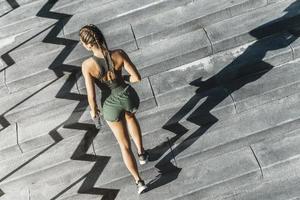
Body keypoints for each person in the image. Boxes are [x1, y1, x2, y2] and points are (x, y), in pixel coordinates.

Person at [79, 24, 149, 194]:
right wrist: (121, 79)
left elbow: (91, 97)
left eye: (82, 43)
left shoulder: (87, 65)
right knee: (131, 118)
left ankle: (139, 182)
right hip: (127, 96)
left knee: (124, 145)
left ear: (88, 45)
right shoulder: (119, 54)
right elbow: (136, 78)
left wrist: (94, 112)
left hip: (109, 105)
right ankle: (141, 154)